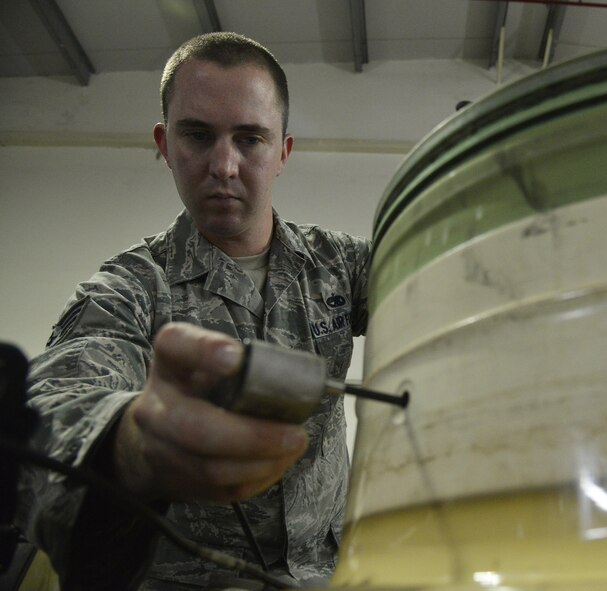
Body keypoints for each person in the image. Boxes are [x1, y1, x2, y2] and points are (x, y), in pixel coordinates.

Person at [15, 32, 370, 590]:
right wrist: (131, 446)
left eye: (249, 138)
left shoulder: (341, 265)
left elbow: (450, 287)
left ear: (283, 151)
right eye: (198, 136)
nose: (224, 165)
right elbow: (49, 410)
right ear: (165, 144)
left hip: (330, 575)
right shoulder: (131, 286)